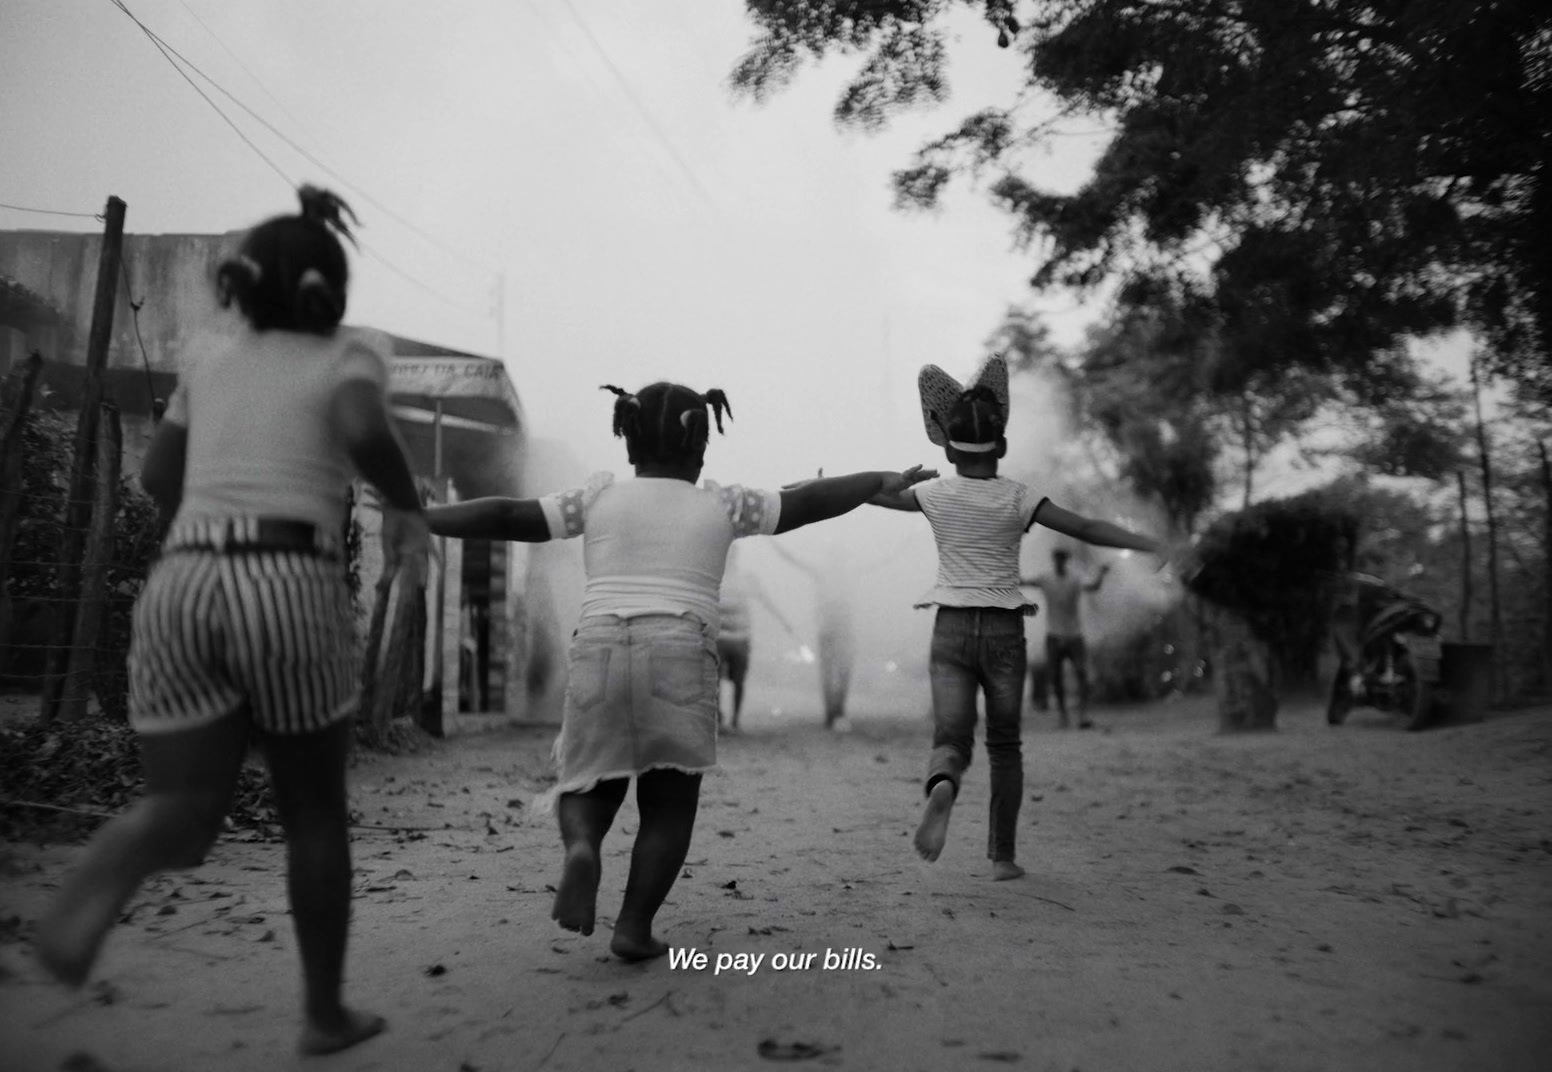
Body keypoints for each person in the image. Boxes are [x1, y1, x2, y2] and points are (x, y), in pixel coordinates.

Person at [35, 187, 428, 1057]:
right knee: (314, 812)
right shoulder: (354, 353)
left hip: (186, 580)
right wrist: (407, 505)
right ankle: (323, 1015)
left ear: (241, 289)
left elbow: (158, 482)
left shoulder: (208, 361)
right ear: (336, 289)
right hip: (288, 578)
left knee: (182, 809)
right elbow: (363, 424)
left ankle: (112, 859)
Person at [424, 381, 932, 959]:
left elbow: (510, 514)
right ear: (701, 446)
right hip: (680, 652)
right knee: (668, 804)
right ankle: (633, 926)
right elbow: (807, 503)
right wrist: (875, 481)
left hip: (598, 647)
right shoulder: (725, 504)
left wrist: (427, 516)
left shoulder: (593, 500)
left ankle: (582, 848)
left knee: (590, 778)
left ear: (628, 441)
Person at [871, 357, 1161, 881]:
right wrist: (1143, 541)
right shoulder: (1019, 497)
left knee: (952, 737)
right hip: (1005, 631)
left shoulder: (933, 494)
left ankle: (943, 786)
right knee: (1005, 745)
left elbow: (876, 495)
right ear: (1001, 446)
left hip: (951, 629)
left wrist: (834, 486)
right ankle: (1002, 857)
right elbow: (1088, 527)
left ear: (948, 447)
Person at [1023, 548, 1111, 728]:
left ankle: (1082, 715)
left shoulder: (1074, 579)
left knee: (1081, 673)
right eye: (1057, 559)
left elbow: (1094, 586)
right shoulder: (1046, 578)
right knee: (1056, 677)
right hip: (1055, 635)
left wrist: (1101, 573)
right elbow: (1023, 582)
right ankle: (1064, 716)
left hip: (1073, 634)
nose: (1059, 562)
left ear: (1065, 560)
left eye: (1061, 559)